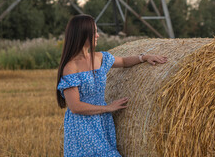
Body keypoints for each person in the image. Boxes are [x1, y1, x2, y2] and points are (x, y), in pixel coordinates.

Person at [56, 14, 167, 157]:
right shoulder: (70, 67)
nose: (97, 35)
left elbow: (124, 62)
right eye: (94, 31)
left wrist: (144, 57)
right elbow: (75, 106)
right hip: (82, 125)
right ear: (82, 33)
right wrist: (108, 108)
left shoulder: (99, 57)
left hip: (101, 121)